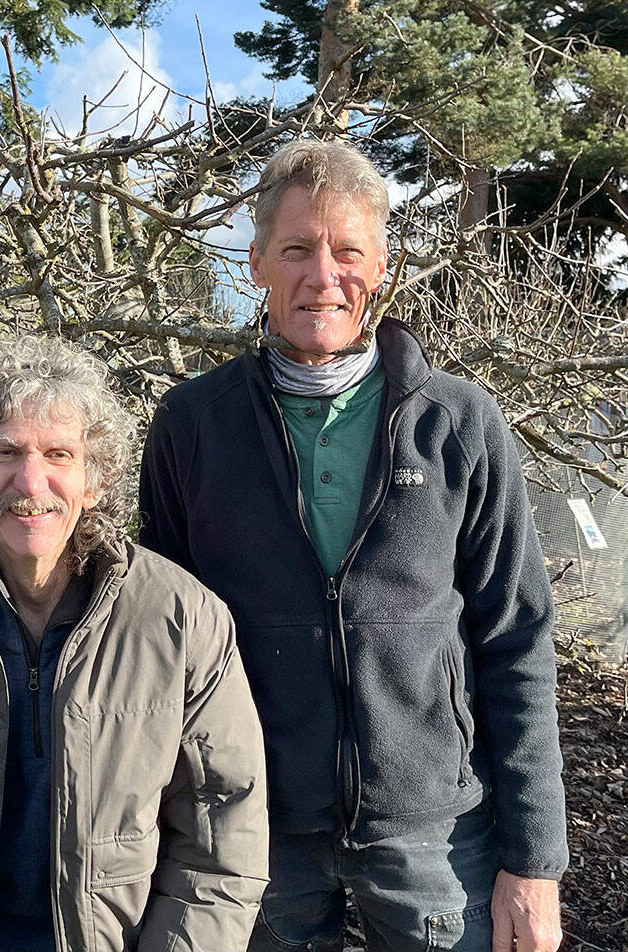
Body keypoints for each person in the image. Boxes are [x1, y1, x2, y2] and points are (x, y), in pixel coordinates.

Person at [139, 138, 567, 952]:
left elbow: (518, 639)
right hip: (251, 830)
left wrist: (536, 862)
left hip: (438, 833)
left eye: (347, 251)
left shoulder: (459, 423)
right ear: (258, 260)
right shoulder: (191, 426)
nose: (322, 276)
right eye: (297, 249)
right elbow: (163, 649)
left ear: (383, 264)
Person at [0, 335, 268, 952]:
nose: (29, 480)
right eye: (4, 451)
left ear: (95, 480)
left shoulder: (184, 620)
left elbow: (221, 843)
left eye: (58, 454)